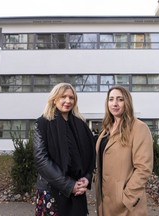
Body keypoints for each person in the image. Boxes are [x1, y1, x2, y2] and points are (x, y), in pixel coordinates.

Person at [33, 83, 96, 216]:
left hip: (77, 191)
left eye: (71, 97)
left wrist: (87, 177)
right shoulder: (42, 123)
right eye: (63, 97)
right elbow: (41, 160)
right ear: (54, 99)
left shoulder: (81, 126)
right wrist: (69, 185)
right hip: (51, 191)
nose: (68, 101)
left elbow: (90, 156)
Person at [95, 85, 153, 216]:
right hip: (104, 200)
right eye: (111, 99)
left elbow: (144, 168)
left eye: (120, 99)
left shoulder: (139, 128)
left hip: (125, 205)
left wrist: (127, 197)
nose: (114, 103)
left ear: (127, 102)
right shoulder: (106, 129)